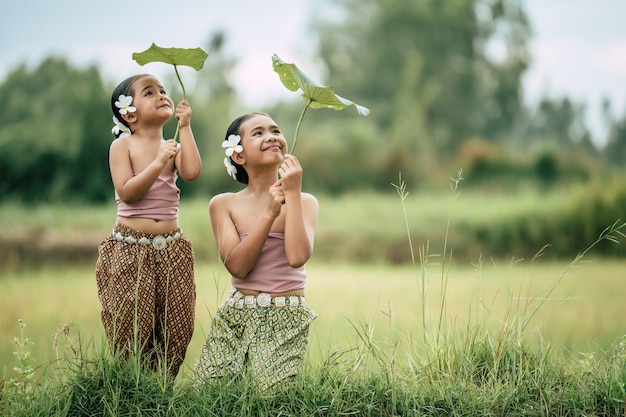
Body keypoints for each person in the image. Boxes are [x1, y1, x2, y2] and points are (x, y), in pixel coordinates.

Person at [194, 112, 319, 393]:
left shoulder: (306, 202)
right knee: (211, 393)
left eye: (275, 130)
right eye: (258, 133)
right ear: (238, 156)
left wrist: (294, 193)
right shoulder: (223, 204)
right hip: (236, 313)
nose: (272, 136)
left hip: (286, 316)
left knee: (271, 395)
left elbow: (297, 256)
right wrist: (269, 213)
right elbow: (238, 267)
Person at [95, 74, 202, 379]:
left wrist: (185, 128)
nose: (162, 95)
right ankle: (132, 387)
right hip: (131, 246)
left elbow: (192, 172)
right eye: (149, 92)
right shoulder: (122, 146)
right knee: (131, 321)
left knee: (176, 321)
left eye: (163, 90)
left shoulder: (172, 145)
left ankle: (162, 387)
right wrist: (157, 163)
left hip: (172, 247)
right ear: (129, 112)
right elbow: (128, 191)